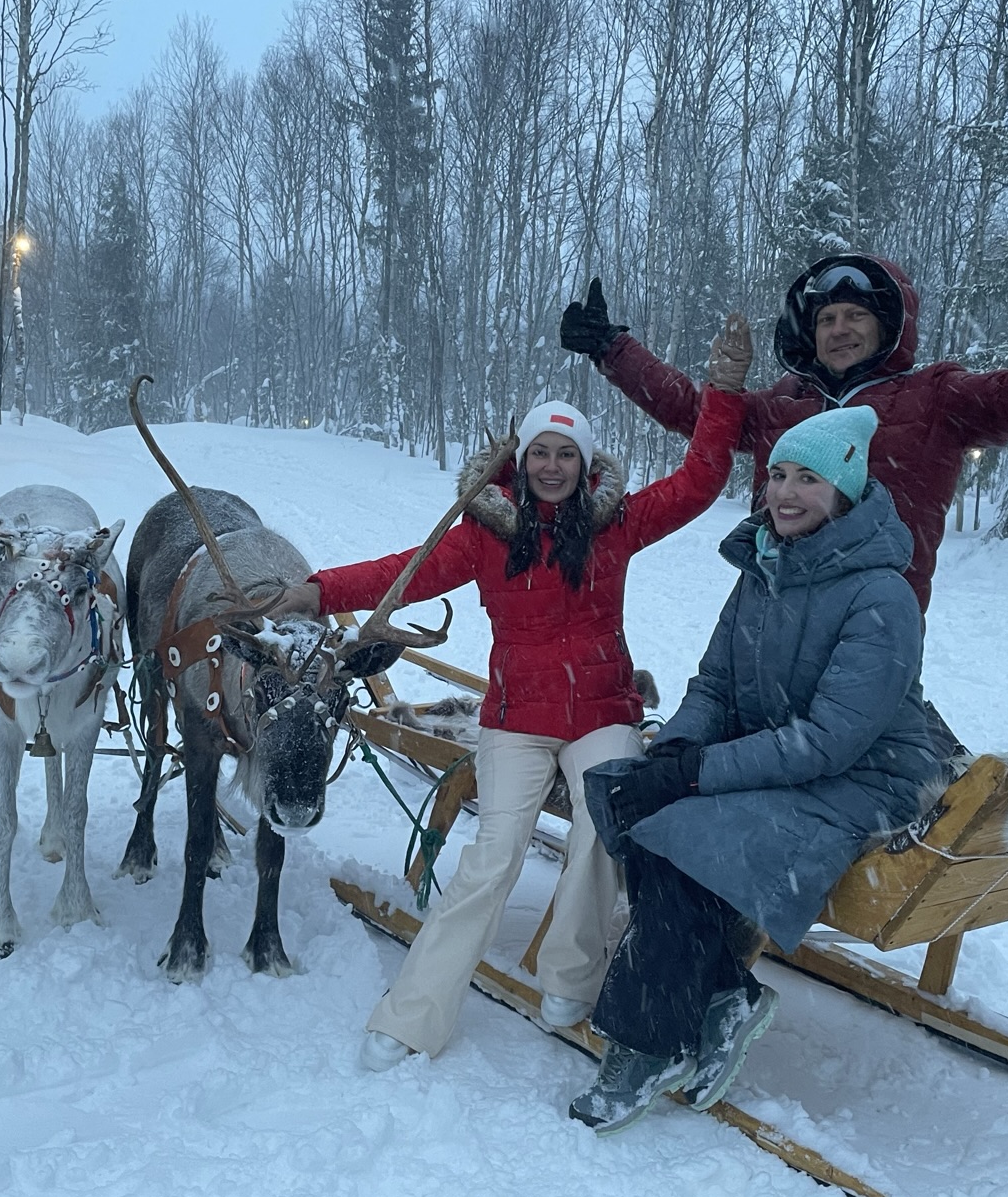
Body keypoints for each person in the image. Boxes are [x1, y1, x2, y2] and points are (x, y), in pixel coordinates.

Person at [273, 322, 753, 1070]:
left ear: (585, 462)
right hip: (515, 720)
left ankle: (572, 974)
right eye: (540, 452)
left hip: (603, 712)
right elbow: (407, 567)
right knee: (493, 854)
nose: (553, 465)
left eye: (567, 453)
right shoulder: (487, 533)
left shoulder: (616, 524)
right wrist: (320, 589)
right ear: (520, 461)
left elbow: (699, 479)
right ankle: (413, 1013)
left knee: (603, 827)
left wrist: (722, 391)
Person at [567, 404, 942, 1133]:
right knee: (630, 797)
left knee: (684, 834)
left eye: (809, 478)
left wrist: (697, 773)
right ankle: (721, 994)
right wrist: (677, 747)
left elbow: (830, 741)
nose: (787, 493)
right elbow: (713, 684)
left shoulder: (881, 596)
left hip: (863, 778)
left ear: (845, 491)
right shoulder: (764, 568)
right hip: (782, 757)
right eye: (777, 475)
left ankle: (645, 1044)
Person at [558, 241, 1008, 618]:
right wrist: (614, 349)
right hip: (774, 605)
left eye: (856, 316)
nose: (839, 329)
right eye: (827, 319)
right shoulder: (784, 403)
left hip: (875, 617)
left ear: (889, 327)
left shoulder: (935, 395)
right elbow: (697, 411)